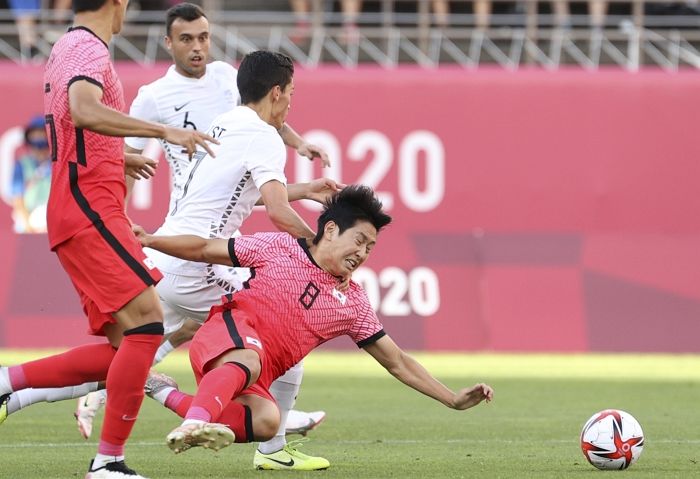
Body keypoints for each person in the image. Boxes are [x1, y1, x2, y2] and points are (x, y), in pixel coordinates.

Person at [0, 0, 216, 476]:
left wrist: (117, 159)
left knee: (127, 349)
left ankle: (7, 382)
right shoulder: (86, 49)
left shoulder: (68, 47)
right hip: (88, 203)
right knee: (146, 327)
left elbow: (69, 130)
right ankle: (108, 462)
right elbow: (82, 110)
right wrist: (163, 132)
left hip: (80, 199)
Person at [133, 185, 494, 461]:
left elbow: (397, 361)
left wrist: (452, 399)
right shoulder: (280, 247)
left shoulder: (353, 303)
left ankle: (161, 390)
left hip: (251, 373)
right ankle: (195, 420)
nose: (363, 253)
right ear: (332, 230)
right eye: (360, 241)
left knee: (267, 421)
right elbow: (203, 249)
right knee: (249, 358)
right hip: (227, 334)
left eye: (370, 248)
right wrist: (150, 240)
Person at [11, 115, 51, 233]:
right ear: (28, 136)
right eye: (35, 133)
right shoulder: (22, 165)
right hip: (27, 227)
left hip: (51, 226)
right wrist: (28, 226)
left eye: (41, 132)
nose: (38, 137)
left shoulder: (57, 164)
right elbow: (17, 199)